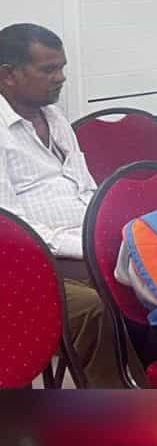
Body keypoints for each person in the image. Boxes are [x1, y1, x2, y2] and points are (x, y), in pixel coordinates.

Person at [0, 23, 148, 388]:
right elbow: (9, 225)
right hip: (26, 261)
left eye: (62, 67)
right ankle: (119, 416)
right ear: (8, 75)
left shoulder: (54, 118)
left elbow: (87, 189)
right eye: (48, 70)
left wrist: (110, 234)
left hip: (83, 247)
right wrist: (84, 247)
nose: (60, 78)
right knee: (102, 304)